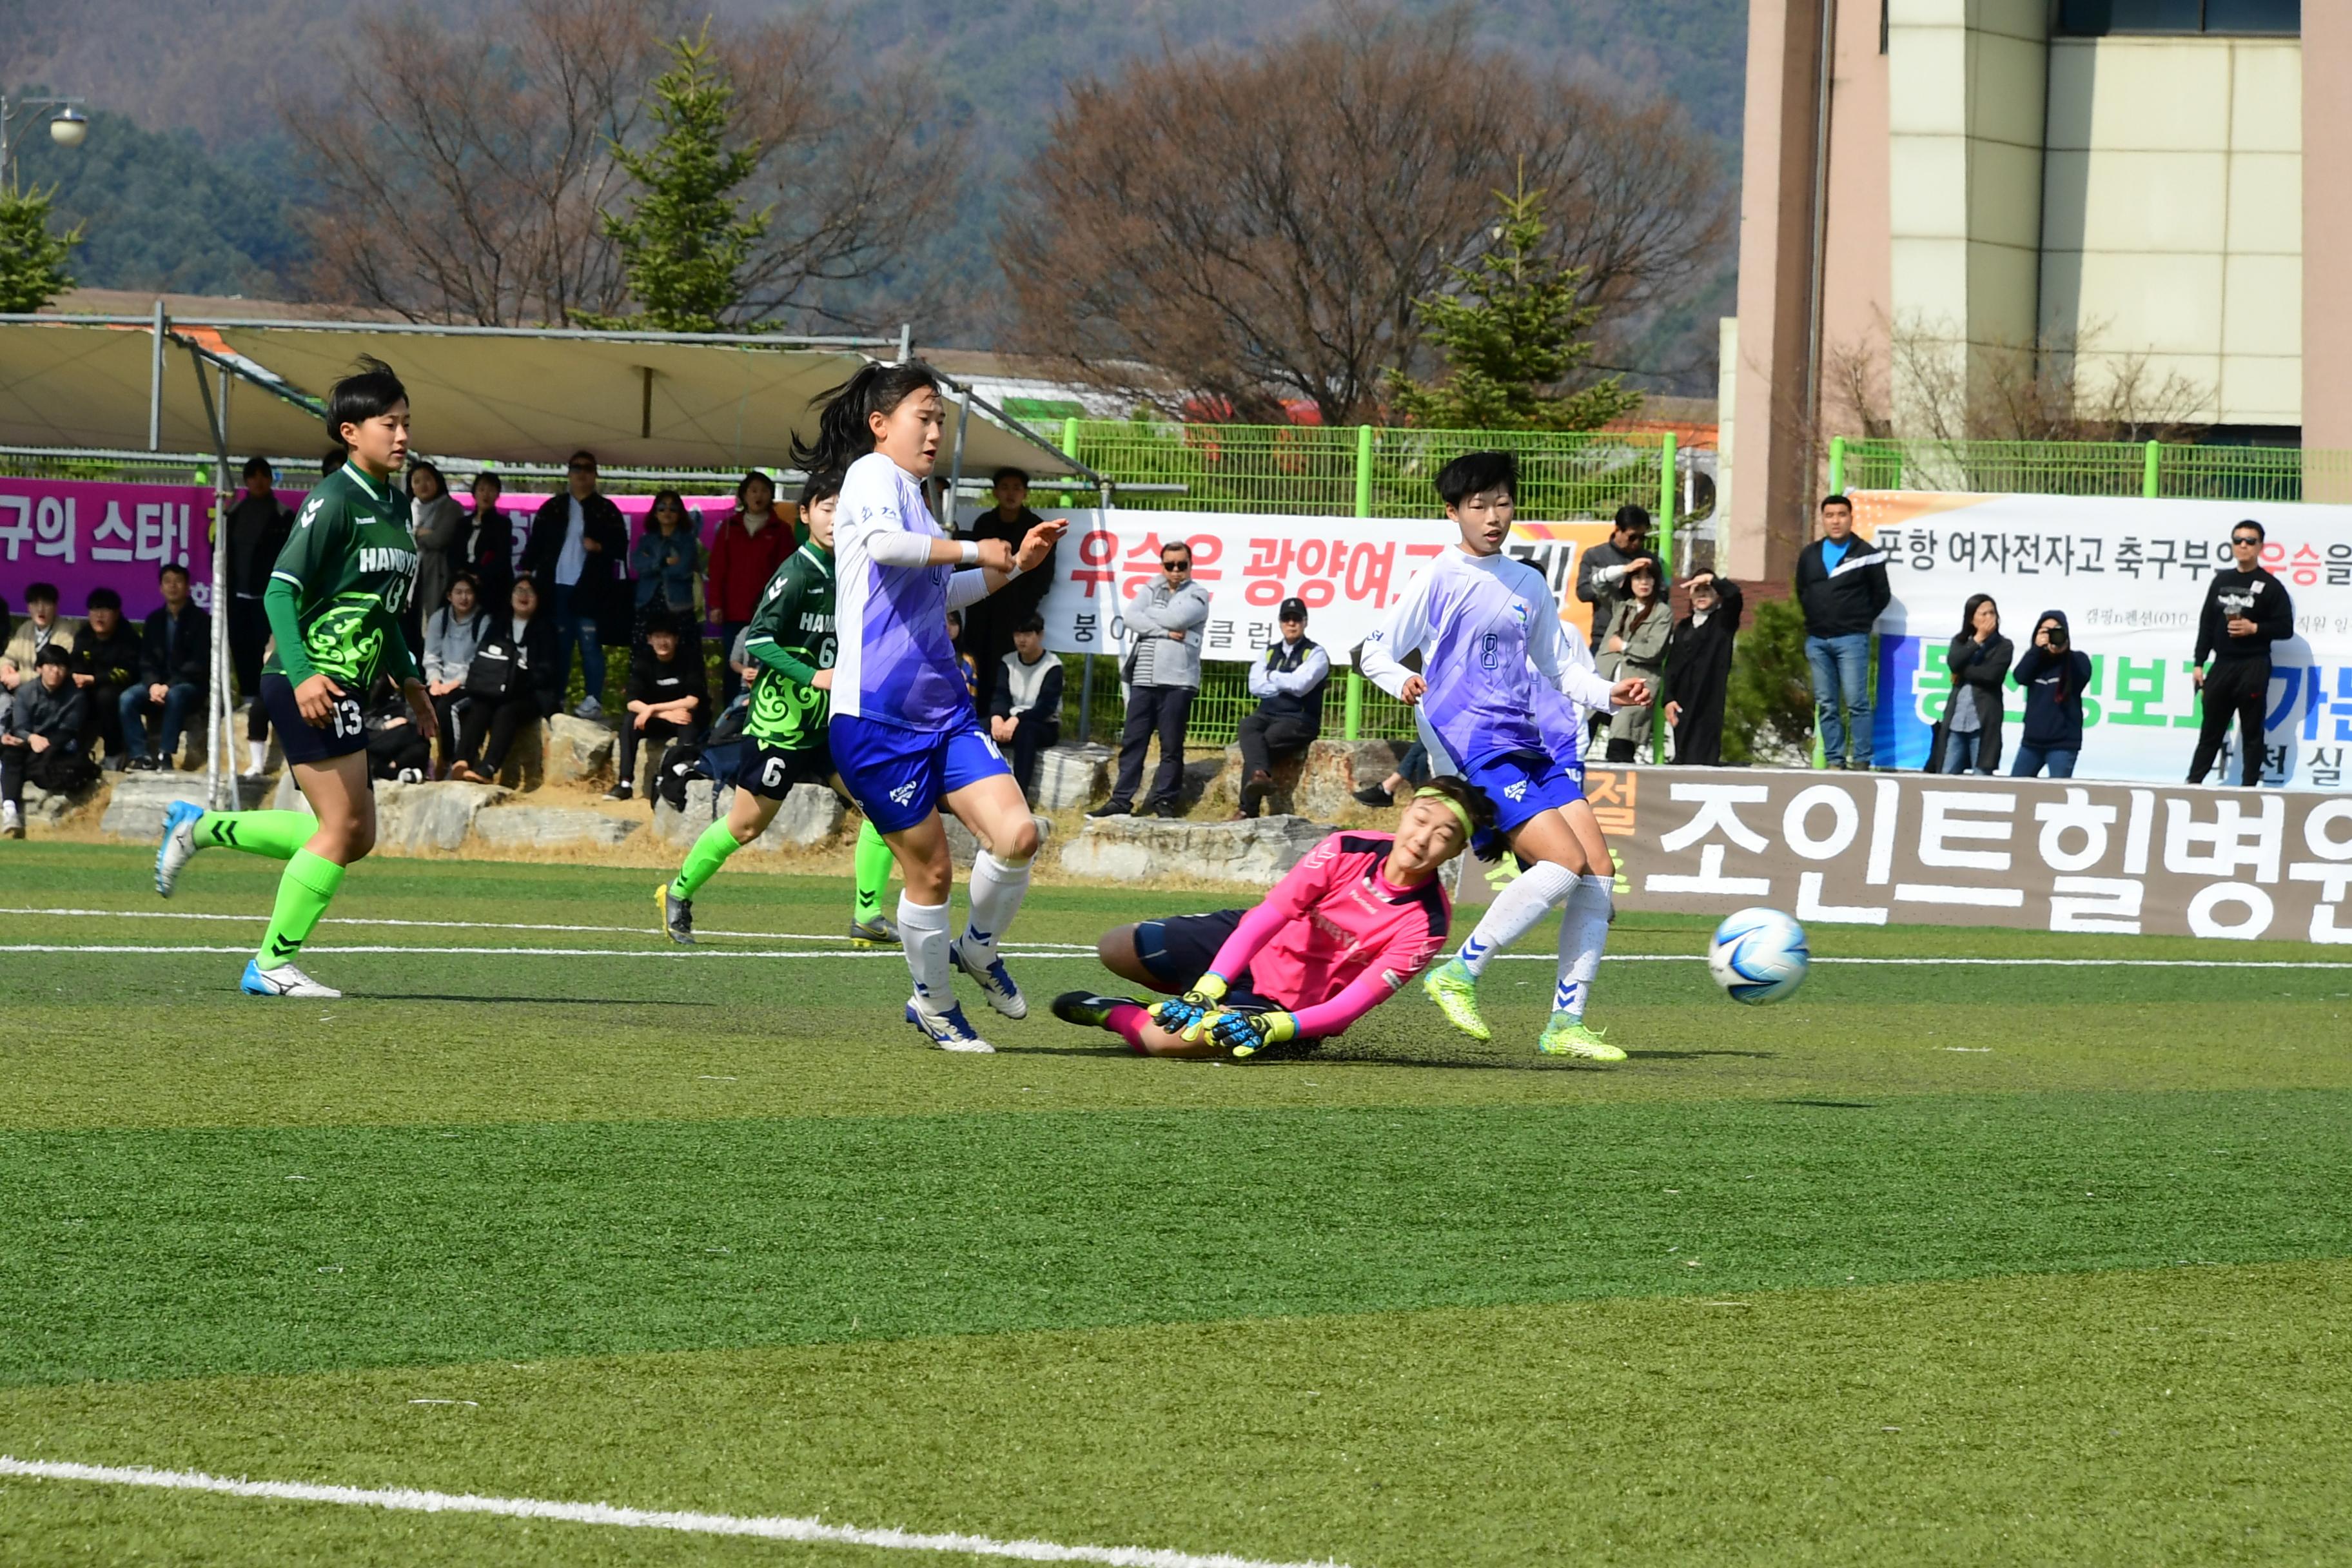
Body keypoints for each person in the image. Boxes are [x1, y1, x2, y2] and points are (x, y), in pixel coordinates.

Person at [794, 358, 1064, 1051]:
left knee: (1019, 834)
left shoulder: (914, 495)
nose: (935, 428)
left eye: (940, 417)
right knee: (933, 872)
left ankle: (976, 949)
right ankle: (936, 1004)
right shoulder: (870, 476)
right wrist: (978, 545)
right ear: (880, 424)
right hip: (877, 721)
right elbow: (888, 548)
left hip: (944, 712)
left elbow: (938, 593)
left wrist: (1014, 568)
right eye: (924, 414)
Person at [151, 357, 436, 998]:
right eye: (389, 424)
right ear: (349, 432)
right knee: (343, 830)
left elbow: (380, 609)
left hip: (346, 684)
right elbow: (280, 593)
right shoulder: (332, 500)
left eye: (406, 423)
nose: (402, 436)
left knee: (348, 832)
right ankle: (271, 964)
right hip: (311, 680)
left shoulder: (393, 503)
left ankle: (198, 827)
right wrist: (305, 675)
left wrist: (412, 683)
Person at [1359, 449, 1649, 1061]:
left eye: (1502, 503)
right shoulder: (1439, 577)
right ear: (1453, 512)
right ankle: (1459, 972)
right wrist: (1400, 681)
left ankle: (1564, 1025)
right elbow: (1375, 652)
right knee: (1563, 863)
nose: (1494, 516)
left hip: (1528, 740)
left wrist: (1609, 692)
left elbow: (1559, 669)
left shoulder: (1528, 582)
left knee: (1598, 871)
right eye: (1478, 505)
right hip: (1472, 739)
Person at [1053, 778, 1492, 1058]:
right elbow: (1267, 918)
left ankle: (1119, 1013)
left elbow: (1347, 1009)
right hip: (1252, 950)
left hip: (1289, 1008)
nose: (1423, 839)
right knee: (1116, 946)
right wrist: (1208, 988)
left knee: (1164, 1041)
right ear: (1405, 813)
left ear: (1455, 853)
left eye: (1444, 836)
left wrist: (1275, 1027)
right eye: (1421, 820)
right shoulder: (1346, 848)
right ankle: (1194, 1002)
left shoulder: (1426, 925)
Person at [658, 471, 901, 948]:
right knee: (746, 826)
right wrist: (813, 677)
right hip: (781, 726)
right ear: (806, 514)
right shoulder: (796, 573)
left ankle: (867, 916)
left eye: (843, 509)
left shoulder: (855, 570)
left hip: (829, 725)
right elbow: (761, 640)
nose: (836, 519)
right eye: (826, 509)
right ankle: (677, 892)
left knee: (882, 811)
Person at [1091, 539, 1210, 819]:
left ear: (1191, 566)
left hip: (1178, 680)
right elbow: (1131, 618)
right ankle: (1121, 800)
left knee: (1171, 745)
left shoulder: (1199, 594)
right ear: (1162, 565)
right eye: (1170, 565)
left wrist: (1154, 619)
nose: (1176, 570)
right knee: (1134, 741)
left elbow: (1177, 618)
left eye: (1182, 565)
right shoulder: (1151, 586)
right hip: (1144, 677)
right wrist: (1165, 633)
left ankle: (1165, 802)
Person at [522, 449, 627, 720]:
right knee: (559, 646)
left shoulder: (606, 510)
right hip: (554, 587)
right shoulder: (553, 507)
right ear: (569, 473)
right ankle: (556, 699)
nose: (582, 473)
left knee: (590, 645)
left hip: (591, 589)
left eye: (588, 468)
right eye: (577, 468)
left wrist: (600, 546)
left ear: (595, 474)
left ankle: (593, 699)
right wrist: (525, 575)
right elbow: (534, 546)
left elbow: (622, 548)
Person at [2189, 519, 2293, 787]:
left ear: (2260, 547)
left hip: (2253, 664)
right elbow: (2207, 624)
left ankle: (2249, 788)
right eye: (2238, 541)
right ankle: (2193, 783)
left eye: (2250, 541)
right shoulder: (2222, 580)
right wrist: (2199, 663)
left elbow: (2285, 628)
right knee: (2211, 728)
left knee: (2251, 730)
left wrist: (2253, 627)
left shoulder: (2270, 586)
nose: (2243, 546)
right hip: (2222, 664)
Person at [1793, 493, 1890, 770]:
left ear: (1851, 518)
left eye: (1841, 515)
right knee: (1826, 704)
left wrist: (1858, 621)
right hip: (1817, 641)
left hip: (1852, 640)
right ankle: (1835, 760)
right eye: (1830, 515)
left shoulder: (1867, 554)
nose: (1836, 521)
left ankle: (1861, 759)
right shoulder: (1809, 555)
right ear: (1823, 519)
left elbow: (1881, 595)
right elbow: (1803, 591)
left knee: (1857, 701)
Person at [959, 467, 1059, 722]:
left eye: (1016, 488)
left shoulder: (1035, 527)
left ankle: (1002, 719)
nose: (1010, 494)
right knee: (978, 660)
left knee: (1008, 665)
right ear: (995, 492)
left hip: (1017, 613)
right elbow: (974, 566)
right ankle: (975, 718)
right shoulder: (984, 523)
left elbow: (1043, 575)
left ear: (1025, 493)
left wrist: (1024, 607)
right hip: (982, 607)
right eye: (1005, 487)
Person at [448, 576, 563, 785]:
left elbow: (548, 671)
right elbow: (484, 658)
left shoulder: (546, 629)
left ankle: (488, 768)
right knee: (480, 706)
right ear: (510, 597)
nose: (523, 596)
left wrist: (520, 678)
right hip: (496, 687)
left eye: (529, 592)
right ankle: (462, 760)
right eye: (519, 590)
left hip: (530, 694)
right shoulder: (499, 625)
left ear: (538, 599)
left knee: (506, 711)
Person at [1233, 597, 1329, 819]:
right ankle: (1261, 776)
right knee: (1248, 725)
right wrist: (1286, 682)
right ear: (1280, 622)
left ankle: (1246, 809)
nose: (1292, 623)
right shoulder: (1269, 652)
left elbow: (1301, 686)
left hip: (1300, 719)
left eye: (1297, 619)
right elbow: (1255, 686)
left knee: (1262, 743)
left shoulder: (1316, 653)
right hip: (1267, 714)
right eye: (1287, 619)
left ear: (1305, 622)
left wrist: (1272, 676)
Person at [707, 470, 792, 707]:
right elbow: (717, 569)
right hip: (733, 611)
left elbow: (787, 573)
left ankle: (767, 712)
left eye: (764, 491)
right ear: (744, 495)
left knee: (769, 664)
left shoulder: (781, 530)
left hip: (767, 611)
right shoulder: (728, 527)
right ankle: (729, 719)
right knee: (733, 665)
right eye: (753, 490)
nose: (759, 496)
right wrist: (715, 604)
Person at [222, 457, 293, 732]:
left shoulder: (283, 514)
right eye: (253, 476)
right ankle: (249, 695)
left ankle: (268, 697)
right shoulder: (234, 513)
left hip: (269, 596)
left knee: (269, 649)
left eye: (264, 475)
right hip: (238, 594)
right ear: (246, 481)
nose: (259, 481)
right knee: (241, 645)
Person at [121, 564, 211, 772]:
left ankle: (165, 754)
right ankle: (140, 755)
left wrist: (168, 686)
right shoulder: (154, 620)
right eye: (168, 582)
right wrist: (153, 684)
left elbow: (198, 663)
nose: (173, 586)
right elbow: (146, 660)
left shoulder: (202, 621)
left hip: (189, 686)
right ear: (161, 587)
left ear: (188, 586)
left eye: (178, 581)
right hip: (157, 685)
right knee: (127, 699)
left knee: (176, 696)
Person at [609, 611, 707, 801]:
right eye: (658, 637)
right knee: (630, 723)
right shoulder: (643, 662)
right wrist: (662, 714)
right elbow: (632, 702)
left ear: (676, 639)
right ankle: (625, 783)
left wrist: (652, 709)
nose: (663, 642)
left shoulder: (689, 659)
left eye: (667, 636)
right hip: (658, 719)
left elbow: (693, 700)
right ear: (649, 640)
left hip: (681, 718)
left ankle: (674, 780)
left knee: (689, 720)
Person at [2, 643, 95, 836]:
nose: (55, 671)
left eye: (61, 667)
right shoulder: (26, 692)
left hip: (57, 744)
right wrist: (29, 739)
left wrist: (42, 741)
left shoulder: (76, 696)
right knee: (11, 750)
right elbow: (20, 726)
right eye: (50, 665)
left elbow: (69, 729)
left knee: (47, 759)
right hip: (28, 741)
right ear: (39, 668)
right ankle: (10, 810)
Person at [1661, 571, 1744, 766]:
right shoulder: (1683, 626)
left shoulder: (1723, 622)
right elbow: (1672, 665)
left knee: (1702, 755)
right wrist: (1668, 699)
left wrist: (1711, 579)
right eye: (1697, 590)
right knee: (1680, 752)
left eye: (1708, 589)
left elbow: (1734, 595)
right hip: (1682, 701)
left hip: (1708, 700)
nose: (1702, 594)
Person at [1931, 593, 2012, 776]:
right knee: (1947, 773)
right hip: (1956, 720)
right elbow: (1953, 661)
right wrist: (1977, 640)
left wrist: (1961, 670)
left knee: (1981, 776)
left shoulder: (2004, 646)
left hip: (1984, 721)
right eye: (1983, 614)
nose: (1989, 618)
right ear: (1971, 618)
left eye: (1992, 613)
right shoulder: (1960, 642)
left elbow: (1991, 675)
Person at [1596, 556, 1668, 763]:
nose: (1643, 583)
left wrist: (1624, 647)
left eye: (1649, 578)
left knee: (1620, 748)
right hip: (1603, 682)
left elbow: (1654, 650)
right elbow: (1598, 582)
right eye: (1637, 577)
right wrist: (1625, 568)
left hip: (1635, 690)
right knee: (1579, 740)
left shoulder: (1662, 612)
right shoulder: (1621, 605)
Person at [989, 613, 1063, 801]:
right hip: (1010, 722)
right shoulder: (1008, 661)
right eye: (1018, 634)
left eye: (1028, 634)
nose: (1022, 640)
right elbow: (1001, 695)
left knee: (1026, 732)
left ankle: (1018, 798)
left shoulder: (1053, 665)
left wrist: (1016, 719)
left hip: (1042, 725)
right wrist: (997, 718)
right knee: (977, 730)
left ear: (1040, 635)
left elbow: (1046, 707)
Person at [2010, 609, 2092, 779]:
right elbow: (2020, 677)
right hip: (2031, 742)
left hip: (2063, 743)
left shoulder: (2077, 660)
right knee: (2015, 787)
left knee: (2057, 795)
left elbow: (2081, 677)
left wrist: (2064, 649)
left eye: (2057, 630)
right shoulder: (2035, 661)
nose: (2052, 635)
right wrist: (2036, 649)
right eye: (2045, 631)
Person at [421, 572, 487, 776]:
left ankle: (451, 760)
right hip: (441, 681)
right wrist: (435, 681)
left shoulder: (483, 621)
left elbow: (479, 661)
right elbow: (431, 655)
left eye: (468, 592)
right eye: (458, 592)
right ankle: (420, 761)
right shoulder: (439, 619)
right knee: (418, 706)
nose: (464, 598)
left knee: (446, 708)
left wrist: (455, 683)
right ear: (449, 596)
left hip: (470, 683)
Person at [68, 588, 141, 767]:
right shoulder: (84, 635)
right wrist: (77, 676)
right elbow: (76, 661)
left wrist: (94, 679)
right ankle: (73, 750)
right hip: (89, 685)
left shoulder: (128, 637)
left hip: (119, 687)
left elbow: (127, 672)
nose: (99, 615)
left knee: (106, 697)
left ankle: (114, 753)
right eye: (94, 610)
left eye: (106, 610)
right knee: (76, 695)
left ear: (116, 613)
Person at [629, 489, 704, 649]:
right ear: (655, 513)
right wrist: (663, 562)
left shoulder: (688, 540)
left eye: (673, 508)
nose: (667, 512)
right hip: (647, 604)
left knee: (684, 656)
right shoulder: (646, 539)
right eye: (662, 508)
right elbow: (637, 564)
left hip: (679, 606)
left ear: (680, 513)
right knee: (644, 656)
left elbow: (683, 569)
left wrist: (652, 565)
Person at [1574, 503, 1652, 654]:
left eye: (1642, 538)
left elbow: (1661, 594)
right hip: (1604, 637)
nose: (1637, 543)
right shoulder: (1595, 555)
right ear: (1617, 530)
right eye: (1632, 537)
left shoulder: (1648, 559)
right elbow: (1583, 592)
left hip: (1639, 639)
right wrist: (1617, 583)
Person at [405, 460, 466, 649]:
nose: (423, 485)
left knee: (432, 629)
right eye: (417, 481)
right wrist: (422, 533)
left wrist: (413, 534)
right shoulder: (407, 508)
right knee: (409, 629)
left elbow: (440, 539)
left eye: (427, 479)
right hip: (410, 578)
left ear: (438, 481)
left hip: (437, 577)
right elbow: (399, 538)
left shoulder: (451, 507)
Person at [1, 582, 83, 693]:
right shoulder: (25, 628)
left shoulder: (66, 632)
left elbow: (59, 670)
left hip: (55, 692)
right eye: (35, 603)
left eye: (47, 603)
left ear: (55, 606)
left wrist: (22, 678)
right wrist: (5, 667)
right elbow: (9, 655)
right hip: (23, 692)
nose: (40, 609)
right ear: (28, 607)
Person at [362, 677, 431, 781]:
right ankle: (387, 771)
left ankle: (389, 769)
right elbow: (363, 718)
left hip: (403, 738)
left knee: (422, 747)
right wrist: (385, 724)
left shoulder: (414, 688)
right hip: (377, 736)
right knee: (409, 731)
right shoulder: (375, 684)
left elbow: (415, 719)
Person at [467, 470, 516, 612]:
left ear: (498, 494)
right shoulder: (463, 524)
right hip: (464, 582)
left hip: (493, 585)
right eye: (482, 489)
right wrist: (464, 575)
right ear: (474, 492)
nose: (486, 494)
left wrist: (479, 576)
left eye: (491, 490)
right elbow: (454, 554)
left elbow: (502, 557)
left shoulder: (503, 524)